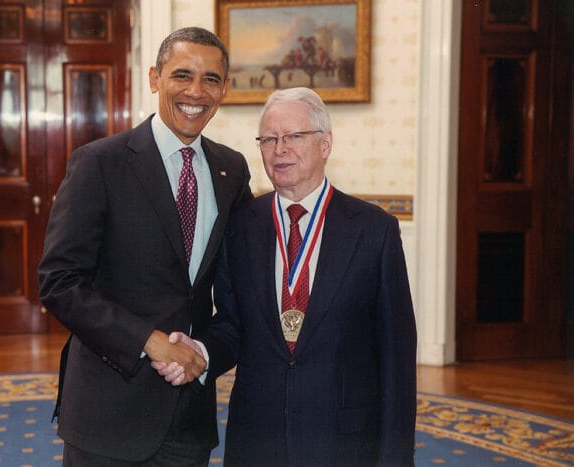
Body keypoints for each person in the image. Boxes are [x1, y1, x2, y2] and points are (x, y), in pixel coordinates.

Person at [155, 87, 417, 466]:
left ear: (325, 144)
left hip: (345, 441)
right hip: (258, 439)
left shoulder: (375, 231)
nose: (280, 149)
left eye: (294, 136)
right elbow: (232, 325)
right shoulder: (239, 226)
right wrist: (203, 350)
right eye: (268, 139)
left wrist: (395, 459)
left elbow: (396, 358)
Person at [38, 26, 252, 466]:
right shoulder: (99, 163)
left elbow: (240, 288)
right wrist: (149, 341)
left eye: (211, 79)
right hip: (107, 412)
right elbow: (59, 282)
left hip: (189, 414)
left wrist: (204, 353)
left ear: (224, 89)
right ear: (155, 78)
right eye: (182, 75)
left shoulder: (232, 171)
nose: (196, 91)